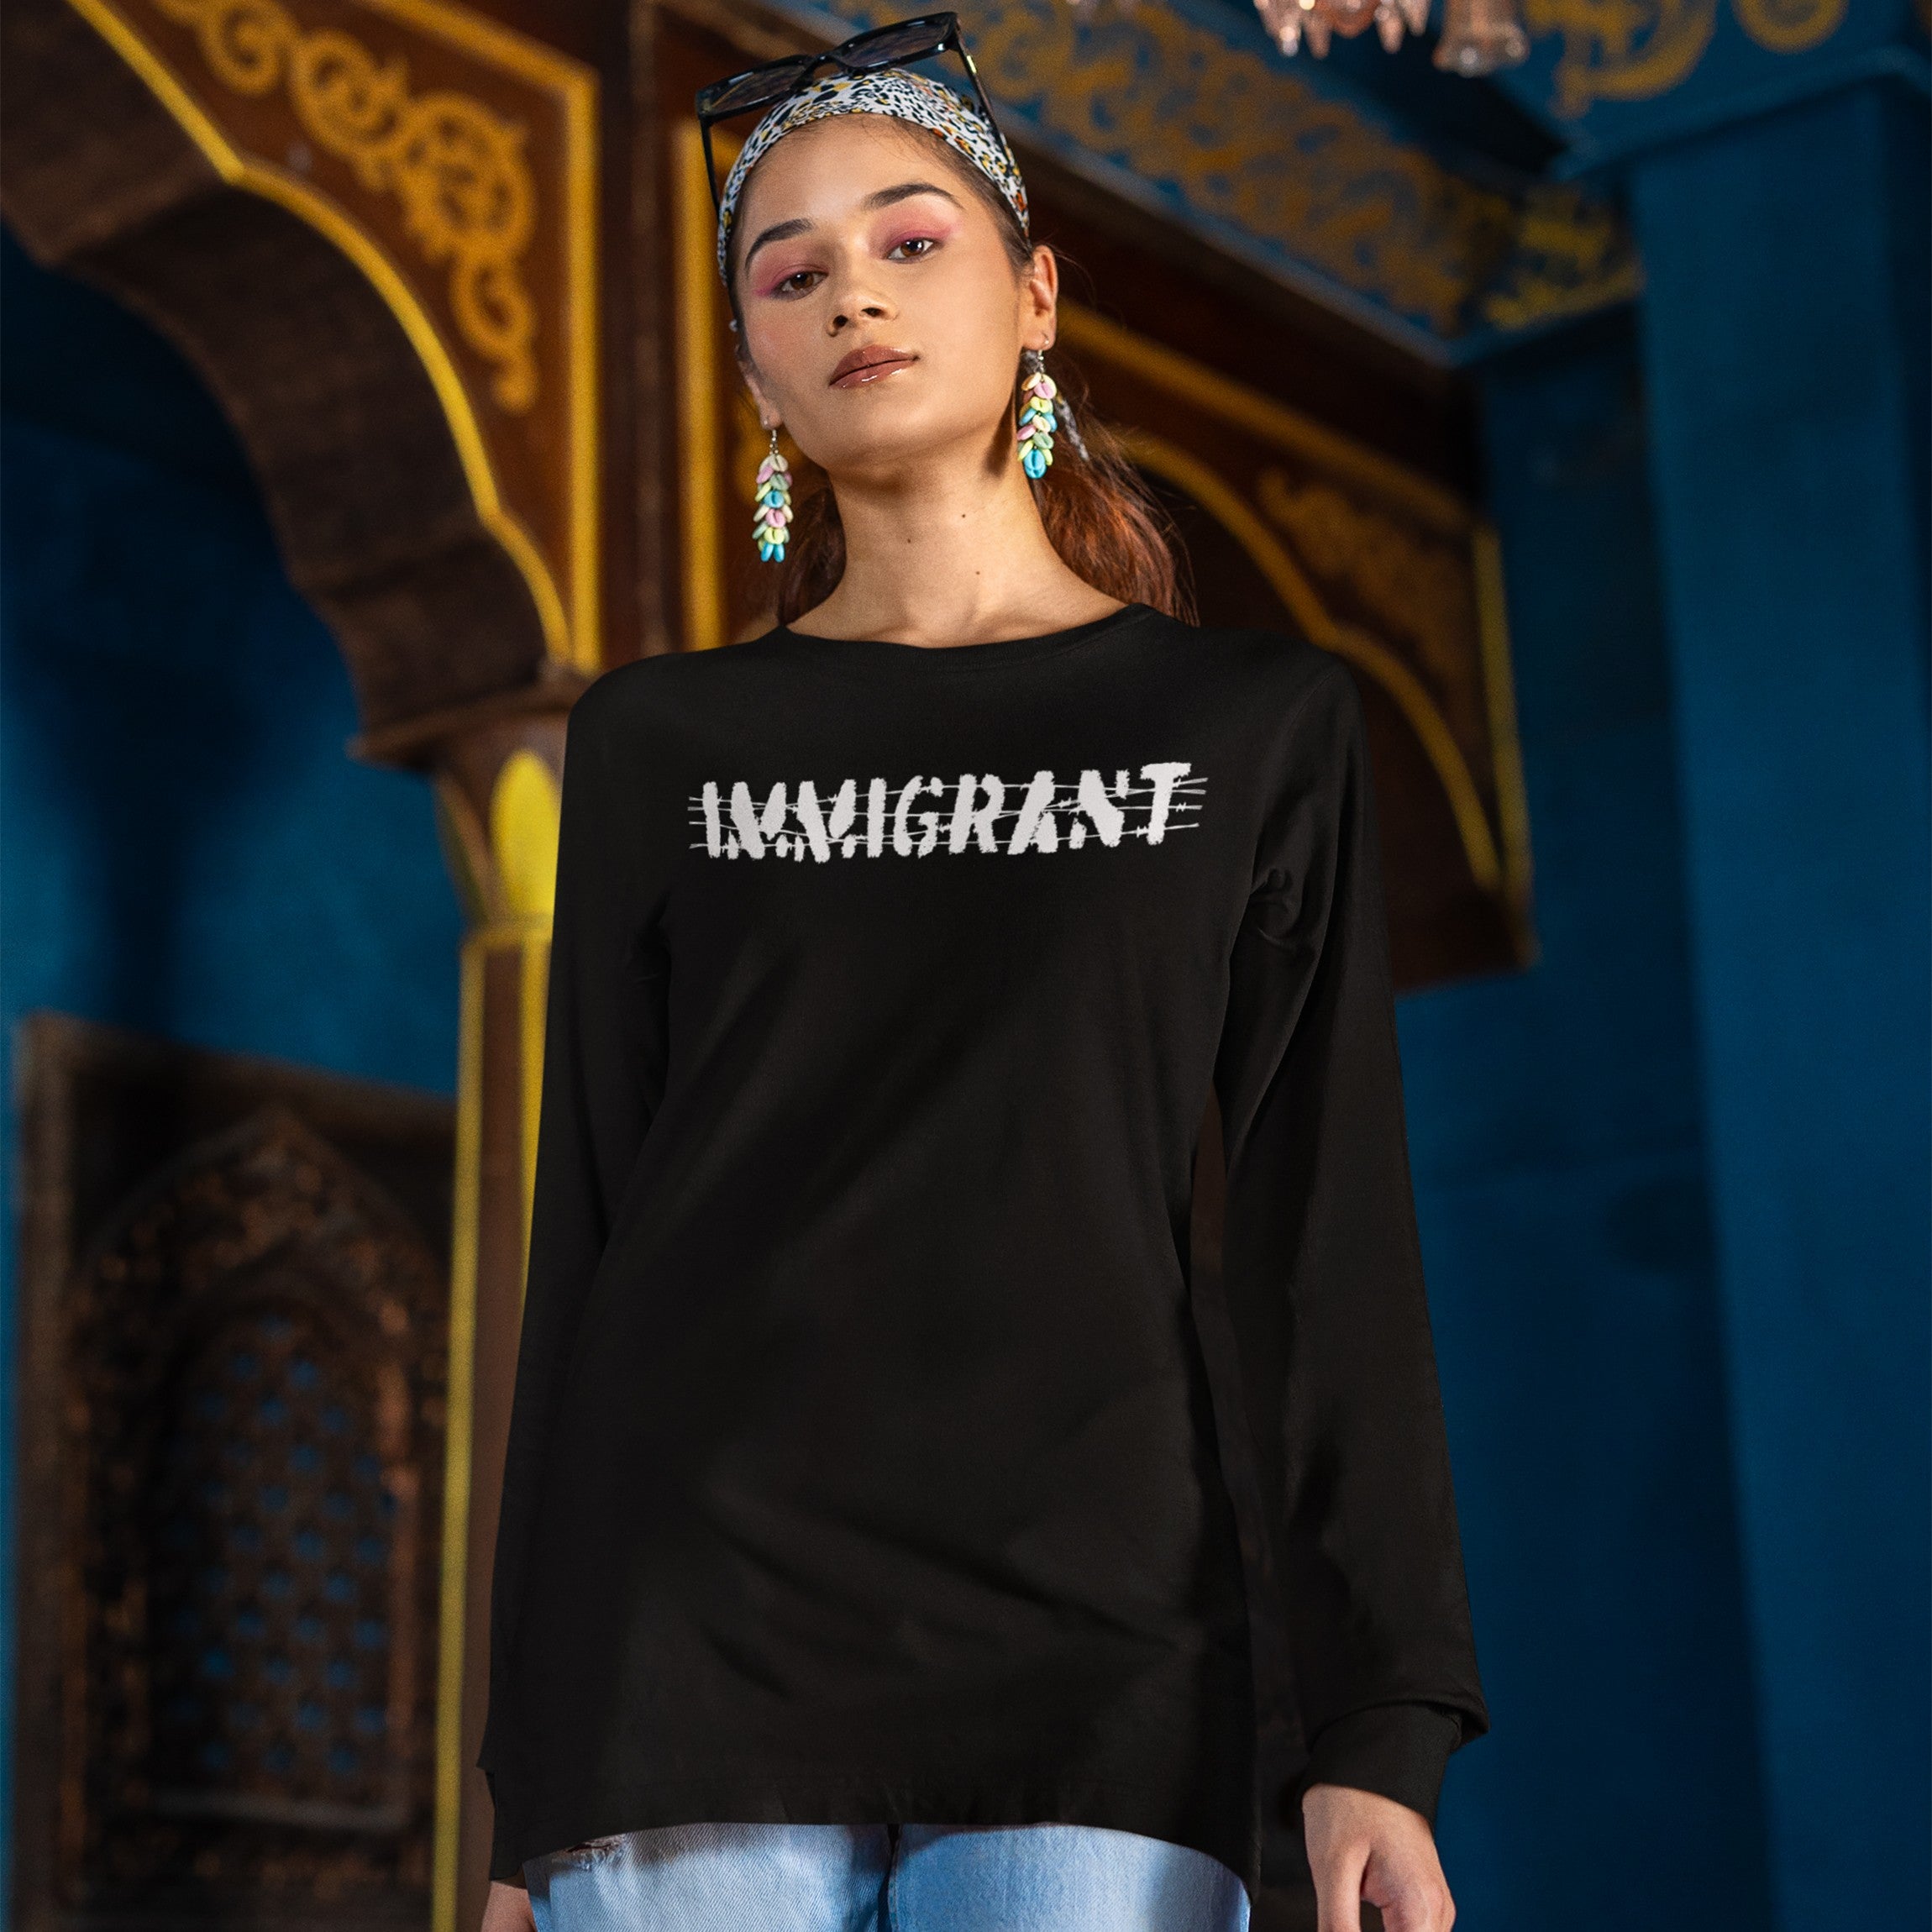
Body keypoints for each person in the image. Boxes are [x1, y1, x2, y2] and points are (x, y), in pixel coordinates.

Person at [475, 18, 1486, 1932]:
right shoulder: (659, 747)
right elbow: (588, 1242)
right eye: (790, 272)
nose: (851, 286)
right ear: (758, 373)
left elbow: (1326, 1230)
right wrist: (528, 1791)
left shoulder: (1249, 727)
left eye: (909, 237)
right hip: (688, 1639)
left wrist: (1384, 1715)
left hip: (1104, 1647)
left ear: (1033, 295)